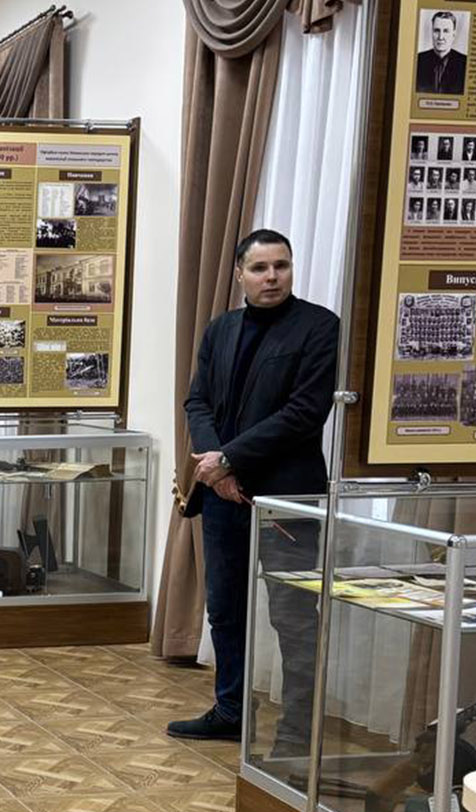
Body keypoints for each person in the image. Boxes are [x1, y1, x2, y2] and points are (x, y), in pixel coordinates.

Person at [171, 229, 338, 752]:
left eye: (281, 266)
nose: (272, 277)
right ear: (240, 273)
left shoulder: (320, 327)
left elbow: (304, 414)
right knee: (225, 609)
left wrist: (229, 459)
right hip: (223, 495)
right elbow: (197, 402)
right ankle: (232, 711)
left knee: (293, 616)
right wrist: (217, 468)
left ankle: (298, 734)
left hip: (287, 499)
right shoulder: (221, 329)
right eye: (261, 268)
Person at [416, 11, 467, 95]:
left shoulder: (465, 63)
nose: (440, 37)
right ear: (432, 32)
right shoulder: (418, 60)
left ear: (453, 35)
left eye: (446, 31)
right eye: (437, 31)